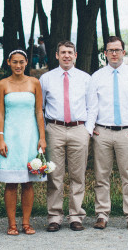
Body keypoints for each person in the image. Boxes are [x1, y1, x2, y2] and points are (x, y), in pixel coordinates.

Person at [86, 36, 128, 231]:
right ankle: (102, 214)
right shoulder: (96, 77)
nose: (114, 53)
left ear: (124, 52)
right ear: (105, 53)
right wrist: (91, 130)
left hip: (127, 133)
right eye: (110, 50)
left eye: (117, 50)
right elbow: (91, 106)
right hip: (102, 132)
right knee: (101, 176)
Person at [40, 40, 90, 232]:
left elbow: (91, 106)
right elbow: (41, 107)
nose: (67, 56)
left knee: (78, 175)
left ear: (75, 55)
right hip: (55, 129)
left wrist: (87, 129)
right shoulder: (46, 79)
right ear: (56, 55)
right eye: (63, 52)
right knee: (55, 175)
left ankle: (76, 216)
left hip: (79, 128)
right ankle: (54, 216)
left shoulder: (86, 78)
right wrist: (45, 131)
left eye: (70, 52)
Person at [0, 49, 46, 235]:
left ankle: (26, 222)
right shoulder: (2, 84)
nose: (18, 65)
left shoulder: (34, 83)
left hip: (30, 135)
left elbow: (39, 111)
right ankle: (11, 224)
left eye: (21, 62)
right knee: (10, 182)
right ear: (8, 62)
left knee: (28, 182)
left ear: (26, 63)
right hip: (10, 135)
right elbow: (0, 112)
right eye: (14, 62)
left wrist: (42, 137)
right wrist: (0, 137)